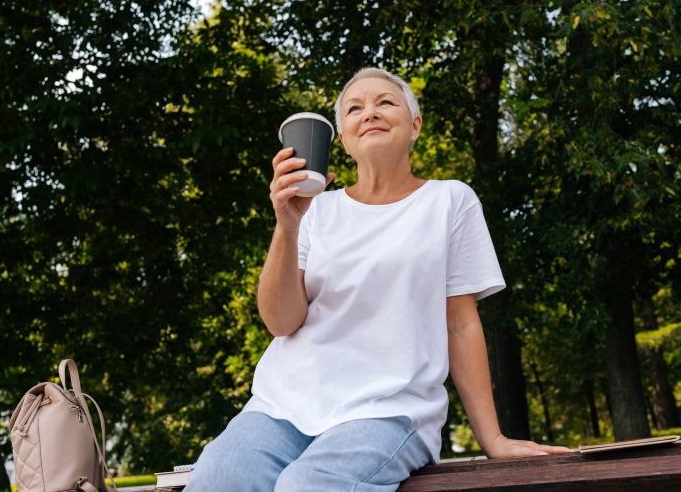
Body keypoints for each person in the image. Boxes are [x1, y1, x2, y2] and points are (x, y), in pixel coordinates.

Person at [185, 68, 570, 492]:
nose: (369, 112)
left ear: (415, 126)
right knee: (217, 478)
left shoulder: (449, 201)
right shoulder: (316, 211)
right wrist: (287, 225)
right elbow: (280, 322)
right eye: (354, 108)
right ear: (343, 141)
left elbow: (461, 324)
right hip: (282, 407)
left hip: (388, 411)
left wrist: (492, 438)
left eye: (385, 102)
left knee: (307, 486)